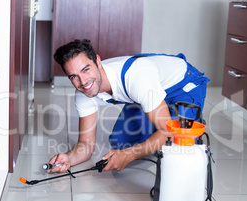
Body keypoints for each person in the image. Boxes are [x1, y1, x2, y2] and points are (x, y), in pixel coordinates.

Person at [48, 39, 209, 173]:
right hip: (146, 93)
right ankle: (157, 117)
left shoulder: (137, 78)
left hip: (184, 86)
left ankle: (184, 124)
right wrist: (69, 158)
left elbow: (168, 132)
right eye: (74, 76)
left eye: (86, 70)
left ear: (97, 61)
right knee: (121, 143)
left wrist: (130, 155)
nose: (83, 82)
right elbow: (86, 145)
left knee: (177, 145)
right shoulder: (84, 92)